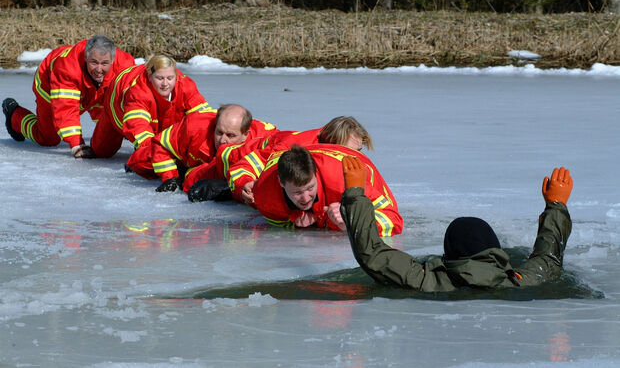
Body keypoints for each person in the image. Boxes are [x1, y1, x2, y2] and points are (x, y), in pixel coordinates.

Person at [340, 157, 573, 291]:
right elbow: (547, 259)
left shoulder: (425, 280)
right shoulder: (516, 283)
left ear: (449, 252)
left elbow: (371, 252)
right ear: (495, 249)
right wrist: (556, 205)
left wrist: (355, 194)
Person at [186, 115, 373, 203]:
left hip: (260, 150)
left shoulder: (329, 150)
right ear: (330, 144)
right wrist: (245, 185)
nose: (354, 157)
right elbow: (245, 166)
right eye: (346, 151)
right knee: (191, 180)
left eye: (358, 151)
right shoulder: (293, 150)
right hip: (230, 159)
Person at [2, 36, 135, 158]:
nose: (99, 69)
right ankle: (14, 114)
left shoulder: (125, 66)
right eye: (94, 62)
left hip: (94, 91)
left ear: (112, 60)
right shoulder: (67, 69)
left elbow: (135, 100)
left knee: (110, 120)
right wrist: (77, 144)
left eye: (104, 63)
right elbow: (66, 110)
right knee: (48, 138)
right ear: (86, 58)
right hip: (50, 87)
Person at [250, 144, 403, 237]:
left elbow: (394, 220)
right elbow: (277, 220)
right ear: (281, 183)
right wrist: (296, 218)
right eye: (297, 192)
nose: (305, 198)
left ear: (315, 174)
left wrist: (352, 220)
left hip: (355, 164)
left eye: (310, 188)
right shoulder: (265, 195)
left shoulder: (345, 181)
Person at [90, 54, 210, 162]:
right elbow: (137, 126)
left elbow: (203, 117)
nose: (165, 84)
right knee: (102, 151)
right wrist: (159, 153)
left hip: (157, 114)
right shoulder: (138, 92)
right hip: (115, 107)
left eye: (170, 78)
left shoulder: (185, 86)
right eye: (159, 78)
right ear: (150, 76)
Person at [148, 104, 277, 192]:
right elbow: (160, 144)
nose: (222, 140)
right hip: (165, 158)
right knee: (142, 162)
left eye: (230, 135)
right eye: (219, 132)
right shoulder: (194, 126)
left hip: (201, 167)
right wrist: (170, 177)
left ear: (245, 134)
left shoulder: (264, 138)